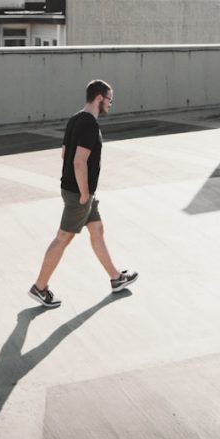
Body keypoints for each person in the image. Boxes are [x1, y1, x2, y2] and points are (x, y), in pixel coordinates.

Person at [29, 79, 138, 308]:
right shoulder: (89, 124)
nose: (110, 104)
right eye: (109, 99)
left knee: (96, 230)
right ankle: (40, 287)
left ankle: (116, 278)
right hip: (79, 193)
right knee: (62, 238)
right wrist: (85, 194)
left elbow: (64, 154)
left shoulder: (75, 119)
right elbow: (79, 162)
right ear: (99, 98)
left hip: (77, 190)